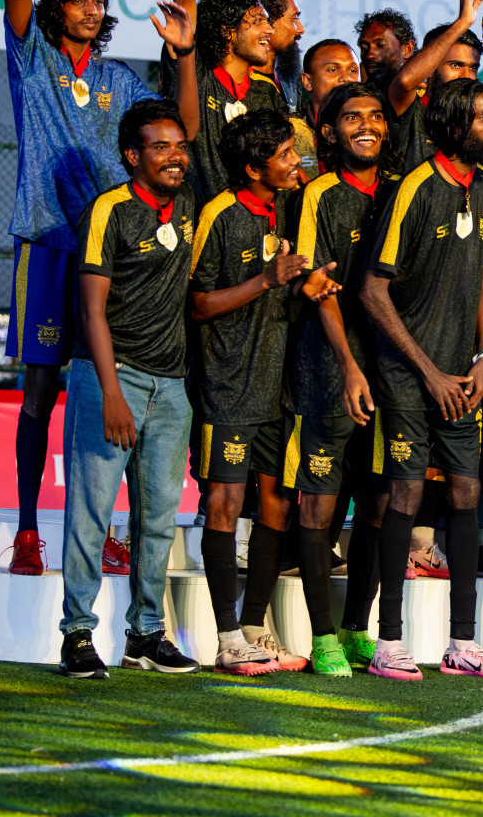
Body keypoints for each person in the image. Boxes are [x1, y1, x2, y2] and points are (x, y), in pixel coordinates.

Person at [1, 0, 194, 576]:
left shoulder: (118, 81)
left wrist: (182, 57)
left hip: (115, 259)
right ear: (55, 4)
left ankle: (102, 531)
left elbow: (172, 123)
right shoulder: (32, 57)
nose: (93, 5)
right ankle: (25, 530)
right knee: (41, 391)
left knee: (98, 397)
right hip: (49, 245)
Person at [359, 78, 483, 680]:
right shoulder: (414, 189)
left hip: (463, 376)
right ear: (452, 127)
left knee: (466, 495)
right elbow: (373, 290)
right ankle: (389, 641)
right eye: (482, 117)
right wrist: (428, 372)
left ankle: (462, 643)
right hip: (407, 375)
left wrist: (481, 358)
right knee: (403, 496)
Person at [191, 109, 339, 676]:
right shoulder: (220, 215)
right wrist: (268, 280)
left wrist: (307, 284)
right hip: (229, 384)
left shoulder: (281, 210)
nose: (294, 163)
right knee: (225, 504)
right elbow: (200, 303)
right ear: (254, 167)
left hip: (278, 388)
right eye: (283, 155)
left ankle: (256, 626)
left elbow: (284, 284)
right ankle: (227, 638)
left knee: (277, 501)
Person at [58, 99, 201, 678]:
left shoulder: (188, 205)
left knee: (158, 519)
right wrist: (112, 391)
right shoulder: (109, 210)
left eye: (180, 145)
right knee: (91, 511)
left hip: (171, 386)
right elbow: (91, 311)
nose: (174, 156)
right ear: (131, 156)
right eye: (160, 146)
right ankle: (76, 635)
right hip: (110, 379)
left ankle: (145, 635)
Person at [285, 83, 401, 675]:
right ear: (329, 132)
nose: (367, 125)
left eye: (375, 116)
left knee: (380, 508)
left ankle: (358, 627)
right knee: (319, 512)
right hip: (328, 375)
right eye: (352, 117)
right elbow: (316, 287)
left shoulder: (402, 192)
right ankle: (323, 636)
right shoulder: (317, 196)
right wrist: (351, 366)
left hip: (391, 377)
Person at [164, 0, 285, 205]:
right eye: (258, 21)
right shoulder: (195, 71)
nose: (269, 31)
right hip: (197, 233)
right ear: (227, 30)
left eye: (269, 22)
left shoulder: (267, 91)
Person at [382, 0, 483, 171]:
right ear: (431, 67)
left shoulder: (479, 120)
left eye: (473, 68)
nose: (466, 76)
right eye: (456, 65)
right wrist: (462, 23)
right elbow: (404, 81)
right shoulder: (408, 108)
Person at [285, 38, 361, 182]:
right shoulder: (288, 130)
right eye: (333, 70)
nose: (346, 78)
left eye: (352, 70)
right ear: (307, 82)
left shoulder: (370, 128)